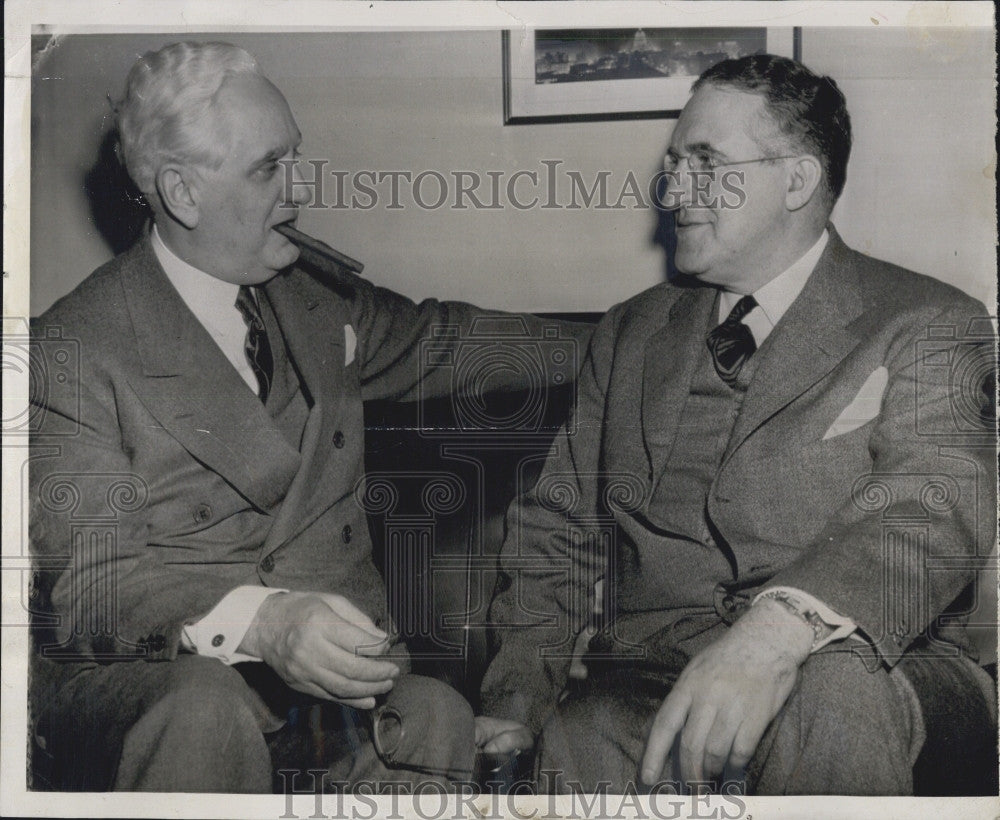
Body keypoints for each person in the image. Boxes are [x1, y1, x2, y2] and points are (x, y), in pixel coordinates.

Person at [28, 40, 588, 793]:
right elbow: (97, 584)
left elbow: (450, 341)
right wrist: (267, 623)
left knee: (433, 713)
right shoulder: (71, 347)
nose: (300, 188)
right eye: (269, 168)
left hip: (325, 696)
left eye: (296, 157)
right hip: (160, 680)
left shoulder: (317, 299)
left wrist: (638, 334)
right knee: (205, 708)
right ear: (183, 193)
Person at [476, 54, 996, 795]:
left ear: (797, 180)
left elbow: (933, 503)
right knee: (582, 732)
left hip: (883, 663)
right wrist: (514, 705)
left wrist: (778, 630)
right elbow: (558, 534)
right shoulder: (629, 334)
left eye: (705, 162)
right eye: (674, 163)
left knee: (833, 694)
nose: (673, 188)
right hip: (660, 675)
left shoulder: (932, 322)